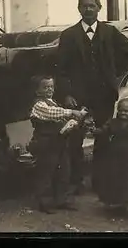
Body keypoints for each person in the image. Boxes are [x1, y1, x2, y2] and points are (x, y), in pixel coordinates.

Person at [55, 0, 128, 194]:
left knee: (103, 138)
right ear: (79, 9)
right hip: (78, 96)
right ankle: (76, 182)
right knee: (74, 138)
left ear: (99, 8)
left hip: (103, 95)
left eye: (92, 6)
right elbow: (60, 69)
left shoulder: (109, 32)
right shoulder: (69, 36)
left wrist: (113, 73)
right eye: (84, 6)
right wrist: (66, 94)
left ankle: (100, 182)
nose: (88, 10)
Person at [27, 75, 88, 214]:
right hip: (46, 144)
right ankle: (43, 202)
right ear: (37, 91)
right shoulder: (39, 105)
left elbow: (58, 116)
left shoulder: (53, 102)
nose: (49, 89)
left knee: (63, 172)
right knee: (46, 173)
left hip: (59, 143)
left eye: (51, 86)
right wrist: (72, 112)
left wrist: (73, 123)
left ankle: (61, 199)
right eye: (45, 87)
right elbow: (53, 113)